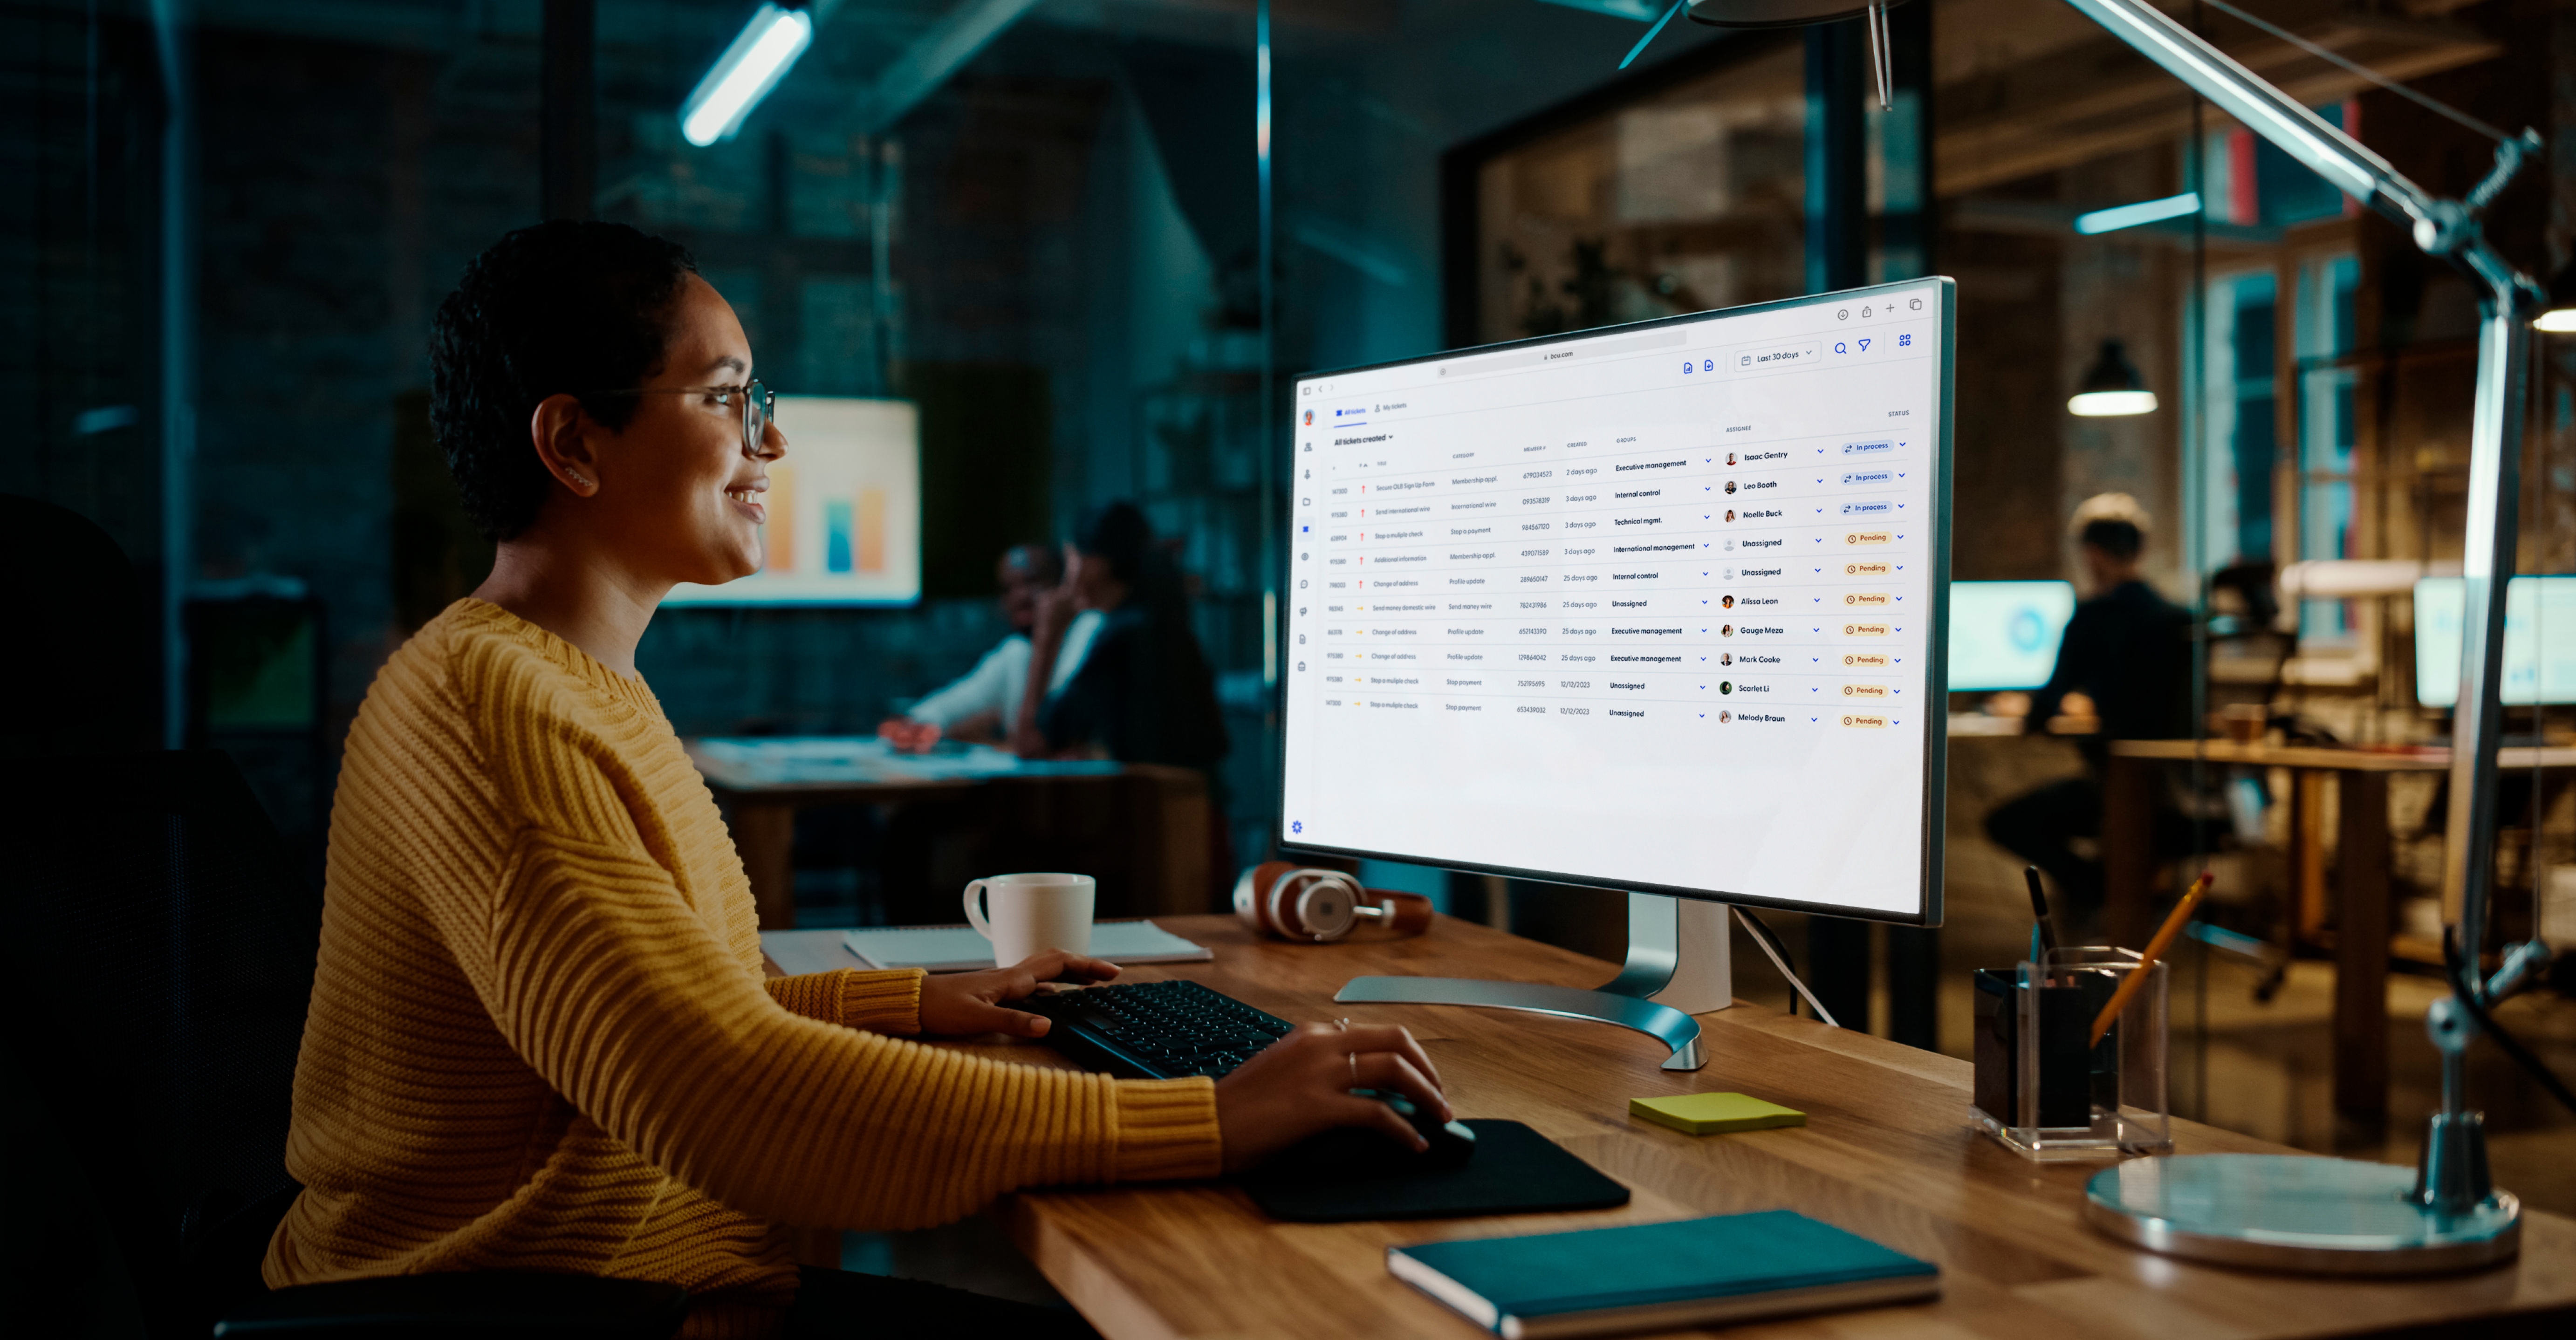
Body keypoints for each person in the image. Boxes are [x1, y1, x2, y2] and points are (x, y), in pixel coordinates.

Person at [265, 221, 1443, 1338]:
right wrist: (1206, 1116)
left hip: (624, 1286)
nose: (769, 441)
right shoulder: (491, 706)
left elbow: (682, 1009)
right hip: (554, 1314)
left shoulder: (566, 685)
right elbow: (716, 1091)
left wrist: (923, 999)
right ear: (573, 442)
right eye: (729, 398)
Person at [1984, 494, 2196, 921]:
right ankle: (2116, 894)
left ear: (2092, 555)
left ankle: (2096, 888)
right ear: (2141, 551)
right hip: (2183, 796)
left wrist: (2021, 709)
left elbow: (2041, 715)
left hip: (2116, 791)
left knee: (2005, 823)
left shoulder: (2093, 618)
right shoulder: (2178, 618)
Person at [1013, 502, 1227, 783]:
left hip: (1165, 819)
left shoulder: (1121, 638)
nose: (1067, 578)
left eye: (1072, 560)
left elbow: (1031, 743)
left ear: (1096, 565)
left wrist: (1047, 637)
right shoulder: (1156, 621)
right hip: (1196, 812)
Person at [878, 543, 1102, 752]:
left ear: (1064, 586)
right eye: (1008, 589)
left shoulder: (1092, 634)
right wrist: (915, 723)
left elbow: (1048, 742)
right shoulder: (1017, 653)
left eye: (1032, 582)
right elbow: (951, 706)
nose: (1021, 596)